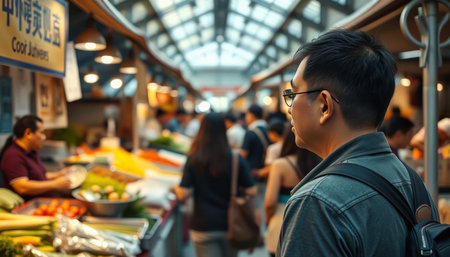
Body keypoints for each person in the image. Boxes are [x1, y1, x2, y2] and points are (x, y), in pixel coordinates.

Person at [277, 30, 439, 257]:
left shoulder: (317, 203)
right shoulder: (412, 183)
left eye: (293, 94)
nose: (290, 108)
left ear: (324, 105)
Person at [174, 113, 257, 257]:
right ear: (224, 131)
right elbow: (252, 191)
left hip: (203, 225)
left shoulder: (194, 159)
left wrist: (175, 188)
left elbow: (184, 194)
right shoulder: (236, 159)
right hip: (231, 224)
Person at [264, 126, 321, 257]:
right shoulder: (320, 162)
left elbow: (270, 202)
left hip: (282, 219)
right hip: (312, 222)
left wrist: (268, 221)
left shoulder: (279, 165)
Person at [0, 115, 71, 201]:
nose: (44, 137)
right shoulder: (13, 156)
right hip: (28, 209)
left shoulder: (31, 151)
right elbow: (22, 186)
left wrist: (59, 174)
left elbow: (40, 175)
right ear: (28, 133)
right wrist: (54, 184)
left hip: (45, 203)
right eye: (41, 132)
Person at [240, 104, 271, 177]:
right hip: (269, 170)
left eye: (247, 114)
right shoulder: (270, 129)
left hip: (254, 172)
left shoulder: (250, 132)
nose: (246, 117)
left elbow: (243, 154)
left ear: (252, 115)